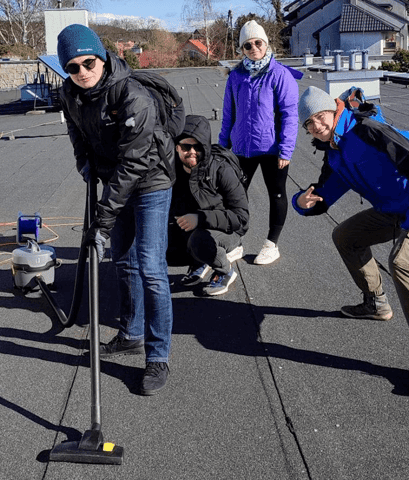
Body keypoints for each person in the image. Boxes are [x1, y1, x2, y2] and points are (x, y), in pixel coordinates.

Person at [292, 86, 409, 395]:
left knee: (403, 263)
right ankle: (376, 302)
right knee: (346, 236)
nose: (317, 126)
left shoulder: (366, 130)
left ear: (334, 110)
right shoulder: (335, 152)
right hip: (391, 211)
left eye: (320, 117)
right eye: (310, 124)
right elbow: (323, 195)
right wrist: (301, 202)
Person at [57, 24, 178, 396]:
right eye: (73, 67)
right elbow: (77, 132)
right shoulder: (71, 92)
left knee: (152, 267)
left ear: (103, 56)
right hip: (115, 178)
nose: (82, 73)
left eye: (88, 62)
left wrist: (103, 221)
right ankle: (131, 334)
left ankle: (158, 357)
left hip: (150, 179)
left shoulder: (133, 97)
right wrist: (84, 165)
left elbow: (133, 164)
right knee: (123, 262)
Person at [219, 20, 301, 266]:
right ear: (241, 49)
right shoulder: (236, 77)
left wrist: (286, 149)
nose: (254, 47)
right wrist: (223, 146)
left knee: (276, 194)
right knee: (235, 197)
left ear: (266, 43)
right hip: (242, 149)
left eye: (258, 42)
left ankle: (271, 244)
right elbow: (228, 114)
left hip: (273, 150)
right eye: (248, 44)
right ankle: (235, 243)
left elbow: (290, 115)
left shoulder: (280, 75)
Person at [167, 115, 249, 296]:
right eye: (186, 146)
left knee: (201, 241)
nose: (192, 151)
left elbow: (241, 218)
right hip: (191, 227)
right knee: (159, 241)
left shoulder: (221, 169)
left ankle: (224, 271)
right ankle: (199, 262)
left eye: (198, 147)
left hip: (227, 231)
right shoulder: (173, 169)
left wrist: (200, 218)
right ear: (177, 147)